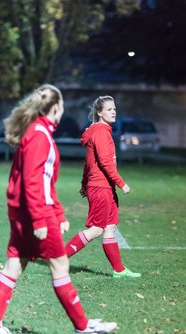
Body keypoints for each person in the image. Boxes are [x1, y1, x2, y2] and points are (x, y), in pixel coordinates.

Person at [0, 85, 117, 334]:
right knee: (60, 264)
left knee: (13, 267)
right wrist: (42, 218)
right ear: (56, 108)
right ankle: (82, 326)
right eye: (62, 106)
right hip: (34, 214)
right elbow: (33, 181)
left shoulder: (37, 132)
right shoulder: (40, 135)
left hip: (25, 212)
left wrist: (59, 214)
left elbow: (43, 181)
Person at [65, 96, 141, 278]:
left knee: (110, 227)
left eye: (114, 108)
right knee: (97, 229)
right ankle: (59, 259)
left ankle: (119, 270)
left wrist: (84, 183)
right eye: (108, 109)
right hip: (101, 187)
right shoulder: (100, 131)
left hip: (104, 187)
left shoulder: (101, 130)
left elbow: (89, 163)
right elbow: (105, 162)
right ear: (99, 112)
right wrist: (121, 183)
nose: (113, 112)